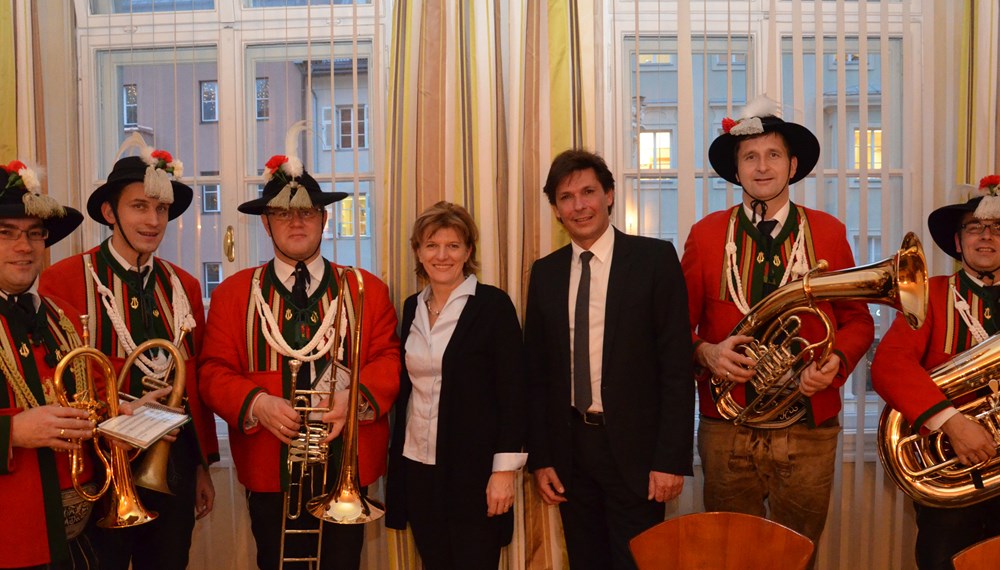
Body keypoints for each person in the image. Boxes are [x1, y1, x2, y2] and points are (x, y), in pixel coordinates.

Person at [682, 99, 875, 548]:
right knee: (730, 552)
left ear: (792, 166)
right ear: (737, 169)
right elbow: (677, 327)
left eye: (772, 156)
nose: (762, 167)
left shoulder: (828, 231)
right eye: (750, 157)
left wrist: (835, 362)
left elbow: (858, 322)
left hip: (808, 427)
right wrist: (706, 352)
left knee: (796, 554)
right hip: (726, 426)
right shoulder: (706, 234)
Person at [198, 153, 400, 570]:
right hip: (270, 464)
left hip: (346, 462)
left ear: (324, 220)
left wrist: (354, 398)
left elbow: (388, 359)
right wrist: (258, 403)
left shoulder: (367, 289)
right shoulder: (234, 294)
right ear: (266, 222)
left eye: (307, 212)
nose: (296, 222)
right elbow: (213, 371)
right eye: (283, 213)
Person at [39, 140, 220, 570]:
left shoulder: (185, 286)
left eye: (161, 209)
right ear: (109, 213)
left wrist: (201, 466)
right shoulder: (62, 278)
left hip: (172, 469)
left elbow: (192, 383)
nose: (153, 220)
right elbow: (56, 382)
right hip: (99, 467)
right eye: (140, 206)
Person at [524, 149, 695, 570]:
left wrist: (670, 460)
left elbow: (676, 367)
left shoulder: (654, 260)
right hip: (570, 453)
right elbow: (538, 377)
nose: (579, 205)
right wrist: (542, 458)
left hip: (637, 458)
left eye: (589, 192)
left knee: (637, 563)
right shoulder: (544, 273)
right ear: (556, 210)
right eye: (566, 197)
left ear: (610, 195)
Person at [385, 202, 526, 569]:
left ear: (468, 251)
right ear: (418, 251)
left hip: (474, 472)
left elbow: (514, 394)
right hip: (418, 467)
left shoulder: (493, 306)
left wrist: (503, 473)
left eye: (453, 245)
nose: (442, 255)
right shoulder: (411, 306)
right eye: (431, 245)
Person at [871, 176, 1000, 569]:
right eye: (974, 227)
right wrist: (955, 423)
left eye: (997, 227)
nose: (986, 236)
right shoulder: (931, 295)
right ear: (958, 242)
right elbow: (889, 365)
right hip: (951, 475)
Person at [0, 160, 96, 568]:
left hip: (79, 536)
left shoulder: (65, 317)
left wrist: (122, 412)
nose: (25, 246)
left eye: (35, 234)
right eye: (6, 234)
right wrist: (12, 432)